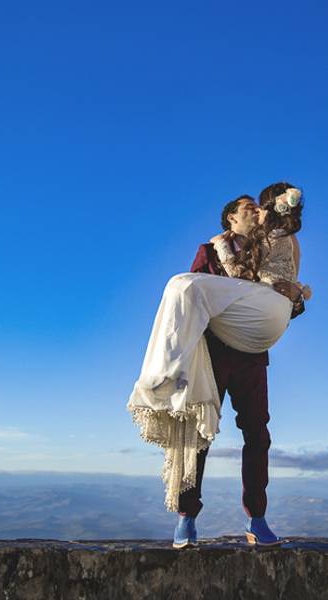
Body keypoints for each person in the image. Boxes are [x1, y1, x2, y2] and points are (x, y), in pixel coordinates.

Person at [127, 182, 309, 547]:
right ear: (231, 219)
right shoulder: (210, 250)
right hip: (213, 353)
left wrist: (294, 298)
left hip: (251, 357)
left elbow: (283, 296)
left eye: (257, 207)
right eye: (247, 208)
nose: (255, 211)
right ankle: (186, 517)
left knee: (257, 434)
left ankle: (257, 519)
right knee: (198, 432)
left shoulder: (269, 245)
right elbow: (192, 301)